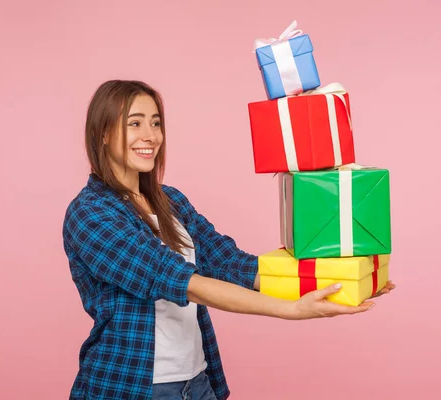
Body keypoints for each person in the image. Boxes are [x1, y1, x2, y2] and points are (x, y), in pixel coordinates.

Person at [62, 79, 395, 400]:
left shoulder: (171, 201)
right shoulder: (90, 214)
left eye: (156, 123)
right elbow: (182, 282)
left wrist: (347, 281)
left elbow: (230, 264)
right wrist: (291, 309)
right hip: (132, 386)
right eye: (134, 124)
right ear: (104, 133)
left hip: (197, 381)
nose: (150, 136)